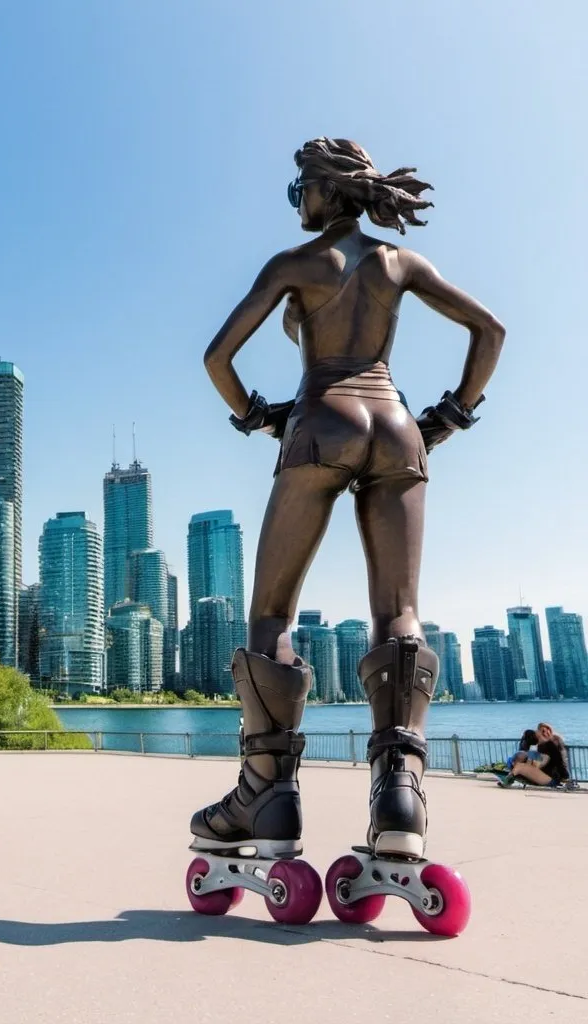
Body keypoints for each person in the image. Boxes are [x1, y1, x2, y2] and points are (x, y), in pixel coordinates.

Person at [191, 138, 505, 867]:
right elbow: (490, 331)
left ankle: (264, 792)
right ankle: (401, 791)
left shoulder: (295, 265)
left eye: (301, 184)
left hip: (321, 415)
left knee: (271, 614)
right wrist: (447, 419)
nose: (297, 197)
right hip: (397, 426)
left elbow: (216, 359)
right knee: (397, 611)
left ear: (328, 192)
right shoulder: (400, 264)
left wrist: (263, 417)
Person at [499, 723, 572, 788]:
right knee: (520, 759)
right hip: (542, 773)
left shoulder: (552, 744)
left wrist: (565, 777)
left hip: (550, 778)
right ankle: (509, 776)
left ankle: (508, 781)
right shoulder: (540, 745)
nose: (545, 733)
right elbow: (530, 758)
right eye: (541, 731)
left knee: (519, 766)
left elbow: (561, 761)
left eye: (546, 731)